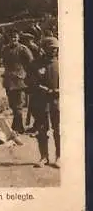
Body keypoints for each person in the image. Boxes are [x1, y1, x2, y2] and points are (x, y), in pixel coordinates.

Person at [32, 36, 60, 168]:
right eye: (51, 48)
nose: (53, 51)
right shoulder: (36, 64)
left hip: (56, 101)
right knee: (42, 129)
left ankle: (59, 156)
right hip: (41, 101)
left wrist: (59, 90)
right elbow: (30, 81)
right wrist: (40, 88)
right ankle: (44, 157)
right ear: (44, 49)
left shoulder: (61, 64)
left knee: (58, 129)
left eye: (55, 48)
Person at [1, 30, 34, 134]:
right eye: (11, 38)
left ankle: (19, 128)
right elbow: (4, 63)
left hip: (20, 81)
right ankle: (15, 126)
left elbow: (31, 63)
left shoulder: (23, 49)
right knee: (12, 105)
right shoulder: (5, 49)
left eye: (15, 37)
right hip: (8, 81)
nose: (13, 39)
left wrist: (28, 75)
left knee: (19, 105)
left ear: (18, 38)